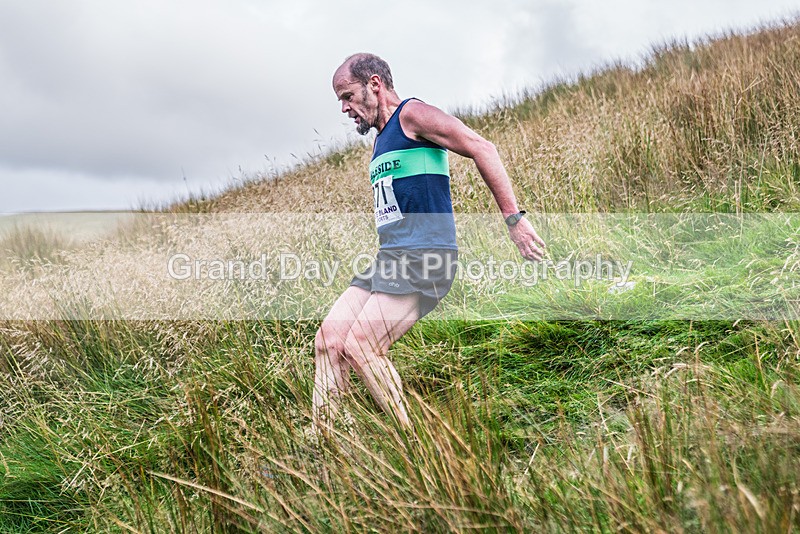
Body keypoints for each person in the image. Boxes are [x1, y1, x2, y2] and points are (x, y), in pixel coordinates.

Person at [312, 52, 545, 434]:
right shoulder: (379, 142)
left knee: (361, 345)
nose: (344, 108)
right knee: (329, 340)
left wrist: (514, 219)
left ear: (374, 84)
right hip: (391, 257)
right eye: (340, 100)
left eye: (347, 96)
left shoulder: (412, 115)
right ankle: (327, 442)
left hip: (426, 256)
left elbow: (482, 147)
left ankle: (415, 446)